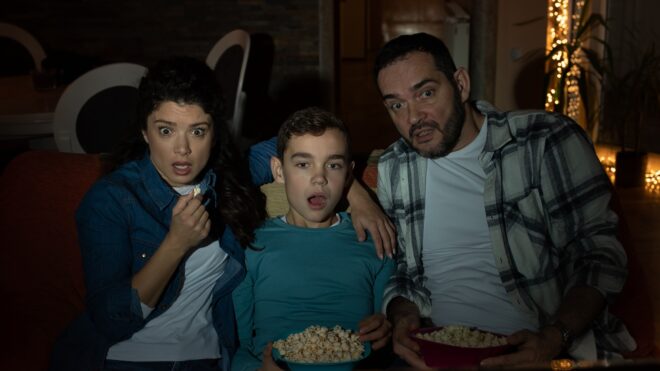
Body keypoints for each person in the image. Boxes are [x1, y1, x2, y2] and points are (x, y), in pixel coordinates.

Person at [50, 57, 394, 371]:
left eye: (197, 131)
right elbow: (111, 320)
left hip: (207, 359)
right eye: (166, 130)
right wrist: (175, 244)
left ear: (215, 134)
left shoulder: (230, 180)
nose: (182, 149)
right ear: (144, 131)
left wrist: (355, 191)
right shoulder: (112, 199)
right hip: (123, 358)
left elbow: (308, 147)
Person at [373, 33, 636, 368]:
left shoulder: (544, 140)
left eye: (426, 93)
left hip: (536, 348)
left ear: (461, 84)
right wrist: (402, 313)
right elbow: (400, 271)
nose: (413, 118)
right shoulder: (395, 168)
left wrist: (554, 338)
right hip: (433, 350)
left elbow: (599, 256)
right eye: (396, 105)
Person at [231, 107, 395, 371]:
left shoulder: (374, 240)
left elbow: (386, 330)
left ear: (348, 175)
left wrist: (385, 329)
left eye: (333, 165)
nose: (319, 178)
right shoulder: (251, 245)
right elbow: (236, 346)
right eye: (303, 164)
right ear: (279, 170)